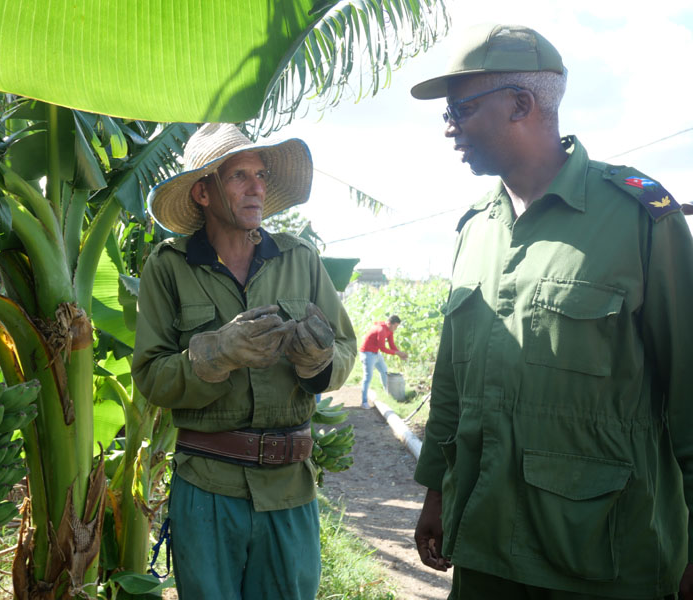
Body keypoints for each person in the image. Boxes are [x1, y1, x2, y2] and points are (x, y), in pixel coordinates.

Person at [409, 23, 693, 599]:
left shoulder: (640, 217)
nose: (448, 127)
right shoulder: (476, 230)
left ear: (521, 104)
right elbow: (450, 384)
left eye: (461, 109)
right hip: (484, 548)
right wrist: (436, 492)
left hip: (601, 556)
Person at [132, 123, 356, 599]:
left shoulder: (301, 260)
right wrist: (216, 354)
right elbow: (152, 376)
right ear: (203, 192)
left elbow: (343, 350)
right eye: (239, 175)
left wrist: (317, 363)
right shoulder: (168, 268)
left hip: (288, 489)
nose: (257, 185)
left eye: (260, 174)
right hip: (207, 489)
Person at [359, 315, 408, 409]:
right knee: (368, 377)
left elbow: (391, 345)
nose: (396, 329)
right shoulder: (381, 330)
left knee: (384, 371)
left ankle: (388, 395)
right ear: (390, 323)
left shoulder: (389, 330)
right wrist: (397, 353)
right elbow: (383, 348)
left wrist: (399, 353)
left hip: (376, 353)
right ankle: (364, 402)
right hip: (367, 354)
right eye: (395, 326)